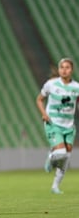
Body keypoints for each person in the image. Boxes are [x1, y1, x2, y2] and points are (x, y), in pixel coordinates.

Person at [36, 58, 79, 194]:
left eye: (67, 67)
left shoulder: (76, 87)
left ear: (72, 70)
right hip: (53, 123)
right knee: (61, 153)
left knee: (66, 157)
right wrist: (44, 114)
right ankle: (50, 158)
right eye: (62, 67)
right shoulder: (51, 84)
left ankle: (55, 186)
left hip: (69, 126)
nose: (64, 70)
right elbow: (39, 99)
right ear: (59, 70)